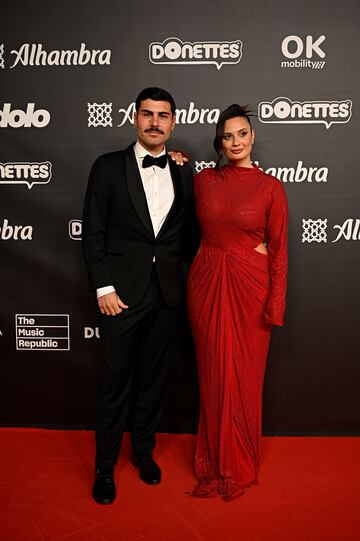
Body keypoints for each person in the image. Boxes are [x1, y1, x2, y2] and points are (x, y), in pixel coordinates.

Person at [82, 87, 198, 504]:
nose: (154, 122)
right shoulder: (108, 167)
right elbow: (93, 231)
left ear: (173, 122)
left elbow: (189, 235)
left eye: (162, 115)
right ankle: (104, 466)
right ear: (135, 118)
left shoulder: (185, 170)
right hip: (120, 297)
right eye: (147, 114)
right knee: (114, 381)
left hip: (166, 295)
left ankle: (144, 454)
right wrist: (104, 287)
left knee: (153, 381)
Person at [187, 104, 288, 501]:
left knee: (245, 378)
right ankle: (213, 463)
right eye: (227, 136)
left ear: (252, 136)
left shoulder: (270, 188)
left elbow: (278, 252)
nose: (235, 142)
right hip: (206, 284)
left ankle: (240, 463)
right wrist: (177, 161)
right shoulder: (202, 181)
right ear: (220, 141)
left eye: (242, 134)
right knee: (213, 376)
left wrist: (274, 306)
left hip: (251, 288)